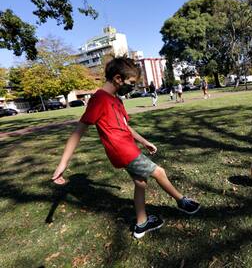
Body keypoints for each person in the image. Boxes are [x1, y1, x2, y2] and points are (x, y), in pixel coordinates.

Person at [51, 57, 200, 239]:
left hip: (129, 148)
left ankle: (141, 223)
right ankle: (182, 201)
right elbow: (78, 132)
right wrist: (63, 163)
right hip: (122, 151)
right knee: (159, 172)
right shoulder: (98, 99)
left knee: (141, 183)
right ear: (118, 78)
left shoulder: (116, 100)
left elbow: (125, 126)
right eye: (130, 83)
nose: (132, 87)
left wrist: (144, 141)